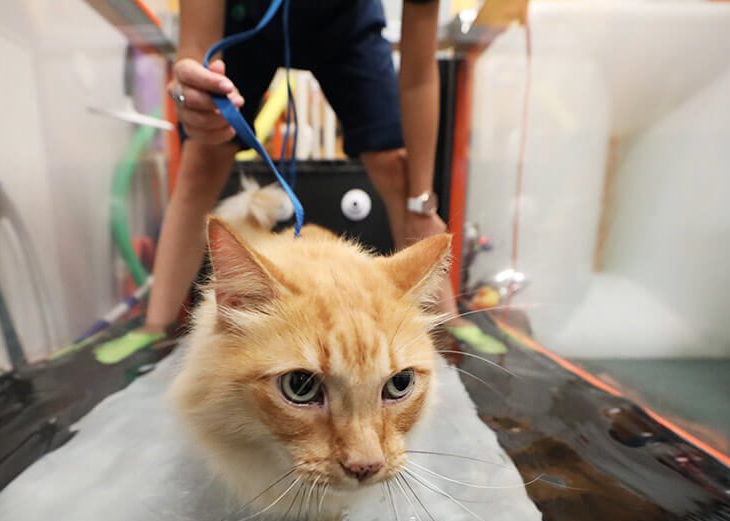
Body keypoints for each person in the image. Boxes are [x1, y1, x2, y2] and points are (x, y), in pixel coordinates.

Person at [139, 0, 506, 354]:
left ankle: (450, 325)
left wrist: (422, 201)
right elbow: (196, 48)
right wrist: (192, 90)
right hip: (244, 20)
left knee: (398, 169)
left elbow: (419, 76)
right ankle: (154, 328)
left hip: (346, 23)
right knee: (201, 161)